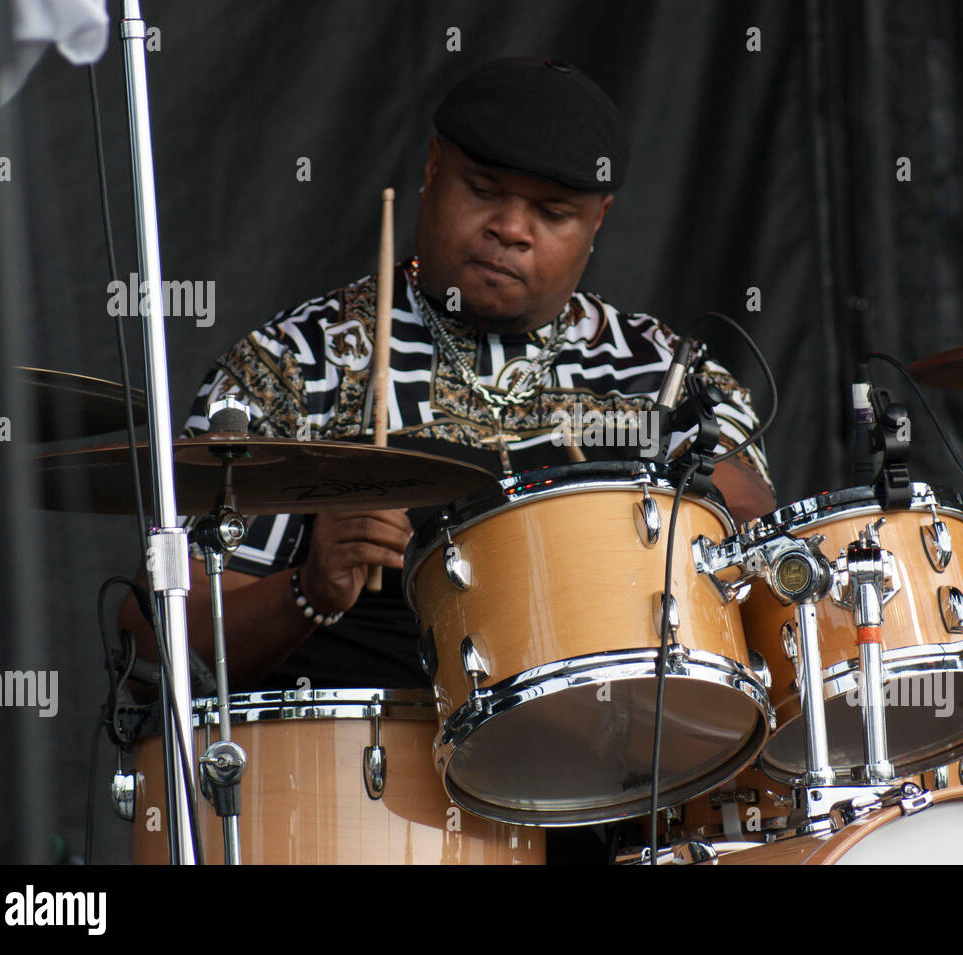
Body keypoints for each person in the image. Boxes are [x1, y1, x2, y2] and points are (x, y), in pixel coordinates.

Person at [116, 56, 775, 859]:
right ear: (432, 171)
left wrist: (749, 534)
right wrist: (306, 590)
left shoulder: (671, 381)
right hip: (361, 809)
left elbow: (767, 601)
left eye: (553, 210)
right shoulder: (294, 368)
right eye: (485, 190)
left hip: (613, 801)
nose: (511, 228)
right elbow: (152, 636)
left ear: (598, 221)